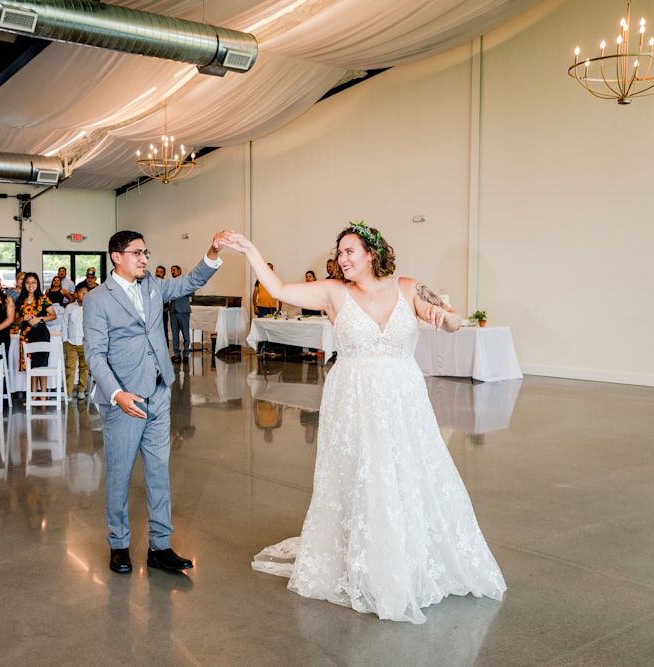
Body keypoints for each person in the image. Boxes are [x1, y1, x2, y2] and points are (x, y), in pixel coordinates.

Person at [224, 222, 506, 624]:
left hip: (403, 398)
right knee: (365, 474)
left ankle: (410, 555)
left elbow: (450, 319)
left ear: (371, 253)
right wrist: (250, 250)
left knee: (407, 470)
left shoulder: (408, 287)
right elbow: (281, 290)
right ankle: (370, 560)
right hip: (353, 399)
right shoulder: (333, 292)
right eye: (339, 253)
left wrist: (446, 318)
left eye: (349, 251)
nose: (342, 259)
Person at [83, 229, 229, 575]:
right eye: (137, 253)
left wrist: (212, 251)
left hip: (160, 392)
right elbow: (95, 354)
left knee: (159, 472)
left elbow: (190, 281)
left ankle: (160, 546)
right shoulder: (98, 299)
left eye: (146, 252)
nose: (145, 259)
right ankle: (119, 544)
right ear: (116, 257)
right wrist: (117, 394)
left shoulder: (154, 285)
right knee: (119, 475)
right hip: (125, 400)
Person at [15, 272, 57, 395]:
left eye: (33, 282)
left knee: (41, 365)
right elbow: (15, 320)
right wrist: (23, 318)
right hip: (26, 335)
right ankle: (33, 395)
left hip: (41, 334)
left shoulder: (43, 299)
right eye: (28, 282)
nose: (30, 285)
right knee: (31, 365)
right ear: (24, 284)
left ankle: (43, 395)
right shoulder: (20, 300)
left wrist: (40, 319)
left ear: (38, 284)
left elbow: (53, 315)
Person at [62, 282, 89, 400]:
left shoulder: (92, 307)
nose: (85, 295)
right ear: (76, 294)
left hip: (86, 342)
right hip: (71, 342)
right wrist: (65, 340)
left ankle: (81, 389)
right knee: (69, 367)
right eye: (82, 293)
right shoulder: (70, 307)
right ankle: (68, 392)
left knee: (84, 367)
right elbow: (64, 324)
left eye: (87, 293)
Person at [168, 264, 192, 363]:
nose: (172, 272)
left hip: (183, 310)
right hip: (173, 311)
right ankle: (176, 354)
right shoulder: (170, 282)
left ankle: (186, 354)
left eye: (174, 270)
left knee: (186, 334)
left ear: (180, 271)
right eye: (171, 270)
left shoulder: (186, 281)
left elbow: (192, 292)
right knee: (174, 335)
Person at [155, 266, 169, 342]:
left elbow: (172, 296)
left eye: (160, 272)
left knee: (164, 332)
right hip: (154, 313)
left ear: (164, 274)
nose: (158, 273)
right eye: (157, 271)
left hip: (163, 312)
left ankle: (165, 352)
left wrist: (167, 308)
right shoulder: (151, 284)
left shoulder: (166, 284)